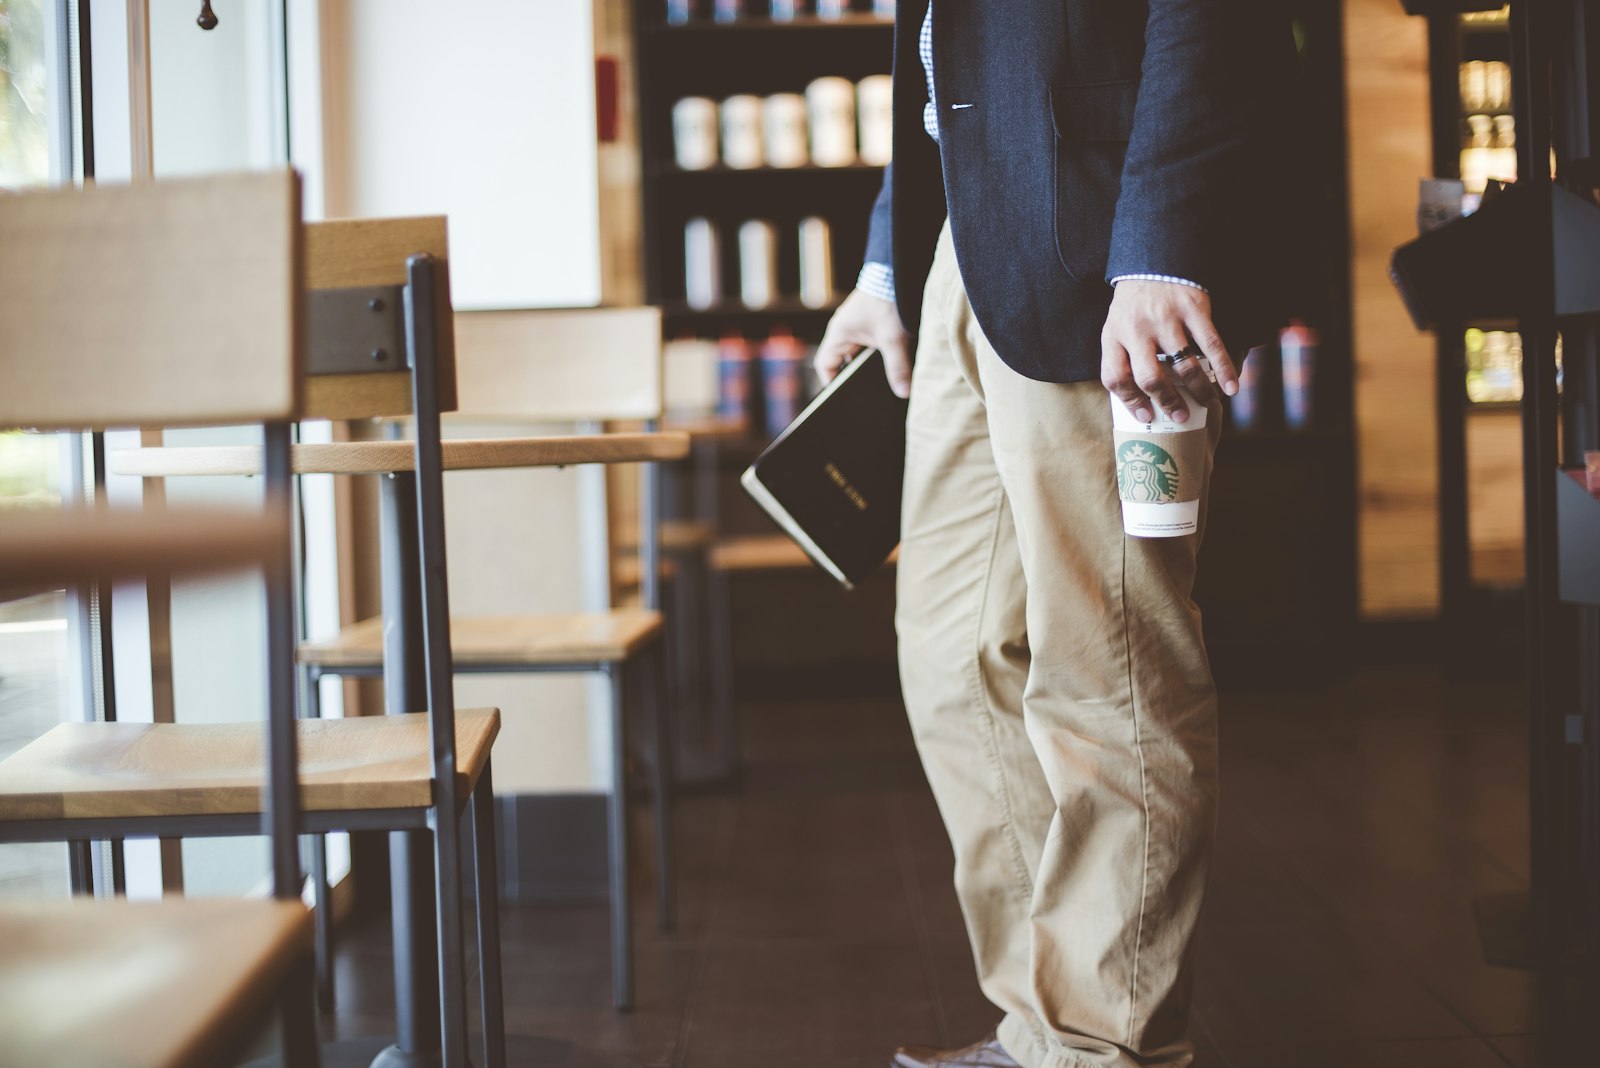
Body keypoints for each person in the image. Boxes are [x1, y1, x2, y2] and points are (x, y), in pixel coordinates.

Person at [814, 3, 1299, 1067]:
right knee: (949, 660)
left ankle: (1097, 1045)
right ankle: (1043, 1026)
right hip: (965, 246)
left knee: (1107, 663)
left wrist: (1164, 247)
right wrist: (889, 270)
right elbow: (950, 66)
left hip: (1106, 247)